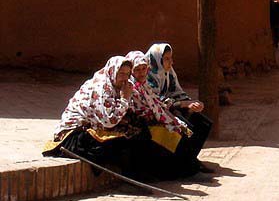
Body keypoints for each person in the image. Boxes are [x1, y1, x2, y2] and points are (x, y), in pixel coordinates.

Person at [43, 56, 153, 180]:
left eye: (128, 74)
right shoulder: (100, 88)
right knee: (115, 145)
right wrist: (124, 99)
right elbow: (109, 121)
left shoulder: (120, 87)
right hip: (75, 134)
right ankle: (132, 178)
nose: (125, 78)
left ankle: (142, 175)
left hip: (97, 128)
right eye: (121, 73)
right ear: (112, 72)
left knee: (140, 129)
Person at [147, 42, 213, 175]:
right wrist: (184, 105)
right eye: (166, 59)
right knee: (187, 127)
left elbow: (177, 92)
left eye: (171, 58)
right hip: (155, 112)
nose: (171, 62)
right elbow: (156, 101)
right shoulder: (148, 76)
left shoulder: (168, 73)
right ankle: (183, 166)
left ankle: (191, 159)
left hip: (169, 107)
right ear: (157, 59)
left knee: (204, 123)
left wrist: (191, 104)